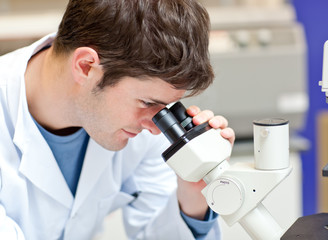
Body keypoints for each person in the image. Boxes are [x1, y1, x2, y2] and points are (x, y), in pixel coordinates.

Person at [0, 0, 235, 239]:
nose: (155, 128)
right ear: (86, 66)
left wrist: (193, 197)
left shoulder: (138, 123)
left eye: (166, 108)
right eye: (147, 102)